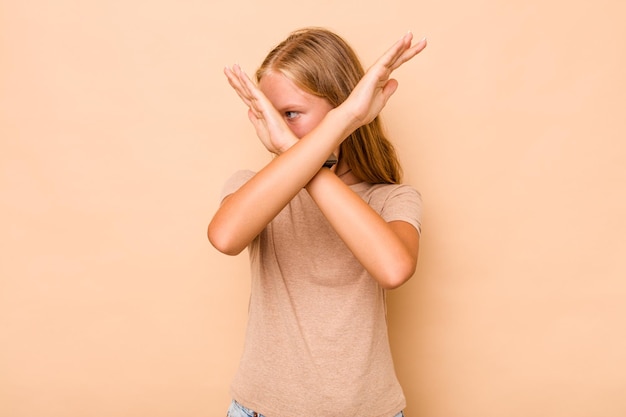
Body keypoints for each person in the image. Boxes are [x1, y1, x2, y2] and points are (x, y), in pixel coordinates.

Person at [208, 27, 427, 417]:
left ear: (344, 109)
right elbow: (225, 236)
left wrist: (321, 138)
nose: (279, 130)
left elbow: (394, 268)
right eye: (270, 115)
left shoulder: (391, 198)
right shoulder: (252, 189)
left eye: (290, 114)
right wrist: (311, 145)